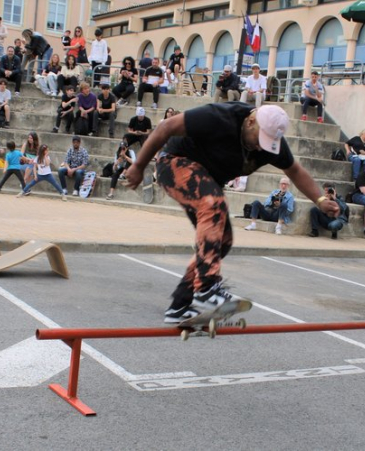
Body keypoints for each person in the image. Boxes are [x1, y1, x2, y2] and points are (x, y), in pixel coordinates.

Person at [123, 103, 339, 323]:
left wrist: (320, 200)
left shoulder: (272, 144)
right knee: (212, 203)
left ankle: (180, 305)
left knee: (222, 240)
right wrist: (139, 166)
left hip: (209, 183)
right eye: (259, 139)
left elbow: (294, 170)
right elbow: (165, 127)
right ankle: (207, 288)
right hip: (174, 163)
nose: (259, 147)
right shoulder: (220, 117)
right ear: (250, 121)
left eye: (266, 143)